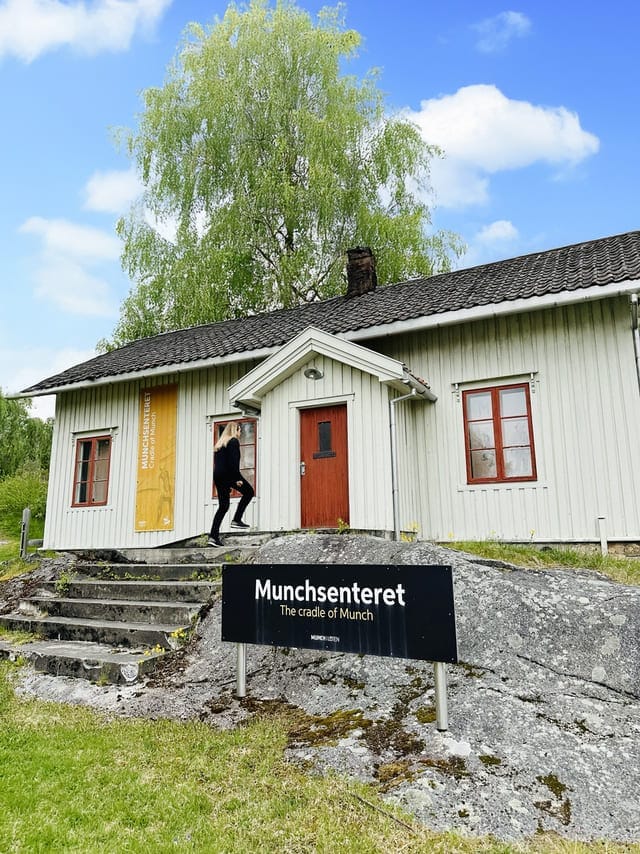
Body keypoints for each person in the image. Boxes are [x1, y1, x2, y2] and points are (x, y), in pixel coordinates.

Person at [209, 422, 254, 547]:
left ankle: (213, 536)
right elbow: (233, 462)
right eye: (240, 431)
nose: (240, 434)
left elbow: (221, 464)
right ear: (236, 430)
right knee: (249, 492)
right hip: (229, 475)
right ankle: (237, 519)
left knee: (223, 507)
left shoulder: (219, 444)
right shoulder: (233, 441)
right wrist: (237, 479)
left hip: (218, 476)